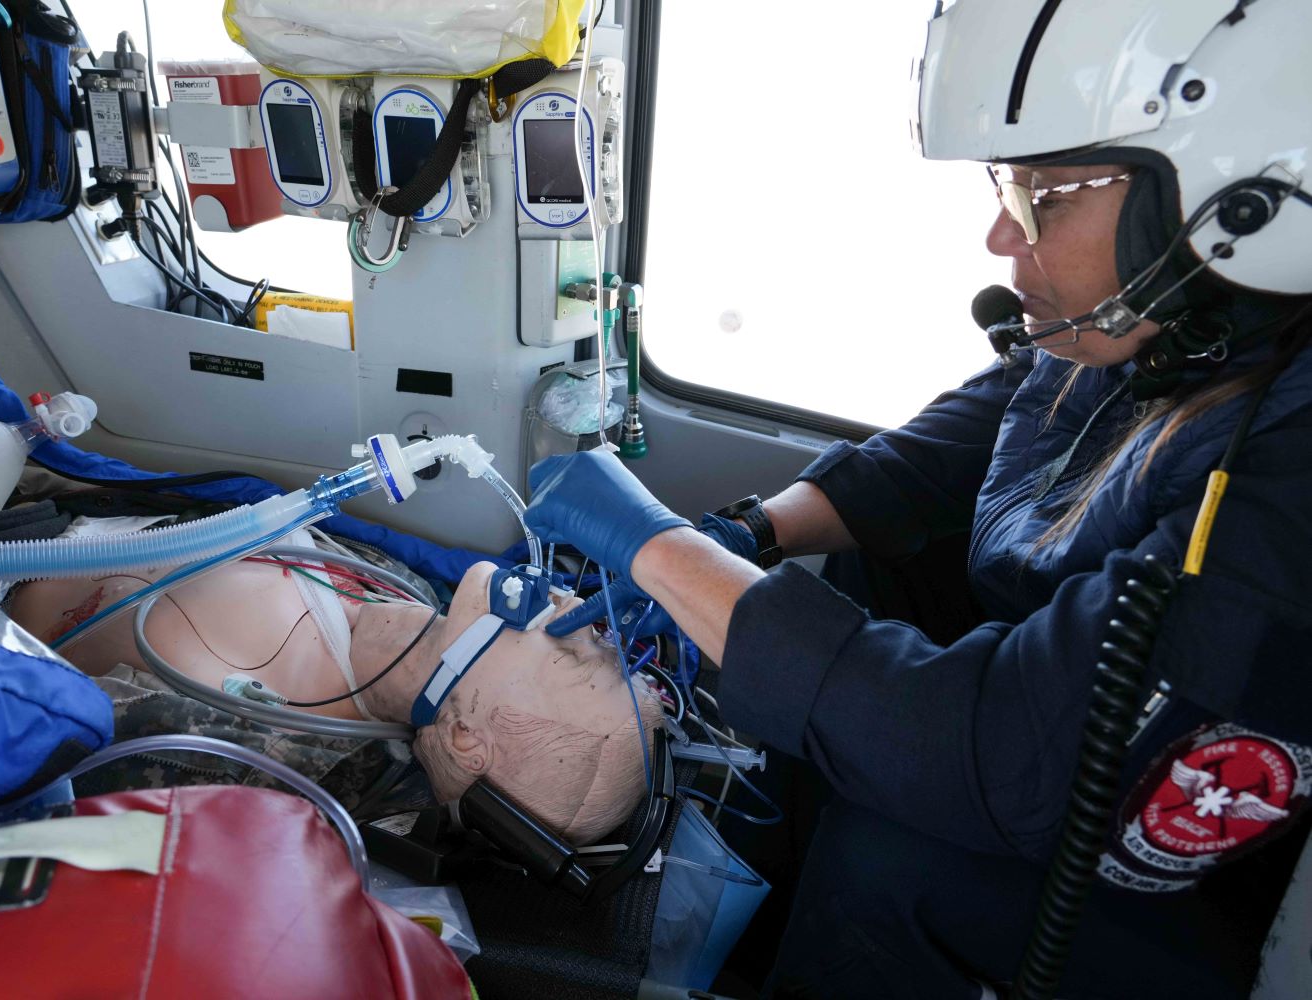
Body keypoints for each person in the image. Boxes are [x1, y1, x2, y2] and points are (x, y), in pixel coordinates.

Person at [524, 1, 1312, 996]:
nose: (998, 234)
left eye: (1041, 196)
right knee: (868, 564)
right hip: (1048, 746)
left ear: (1233, 205)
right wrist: (744, 535)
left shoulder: (1286, 470)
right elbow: (946, 454)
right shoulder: (1168, 328)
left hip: (1177, 892)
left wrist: (658, 549)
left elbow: (1002, 752)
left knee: (885, 851)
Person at [5, 543, 661, 845]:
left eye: (579, 662)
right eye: (598, 638)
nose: (575, 612)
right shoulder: (401, 588)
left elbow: (7, 721)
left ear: (466, 738)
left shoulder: (239, 745)